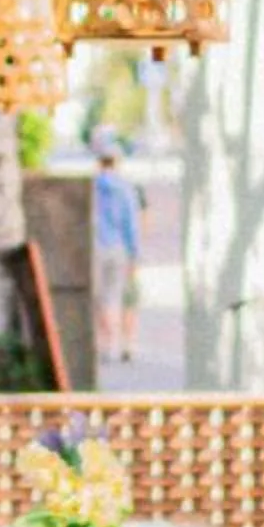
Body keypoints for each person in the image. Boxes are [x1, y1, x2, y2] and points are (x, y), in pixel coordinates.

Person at [91, 130, 144, 366]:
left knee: (100, 297)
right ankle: (122, 344)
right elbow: (131, 224)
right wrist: (135, 255)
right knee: (117, 296)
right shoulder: (125, 189)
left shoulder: (92, 187)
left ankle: (107, 344)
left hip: (96, 248)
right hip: (119, 249)